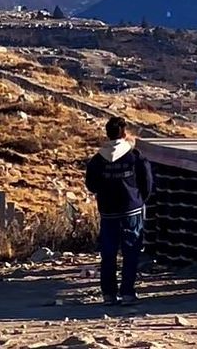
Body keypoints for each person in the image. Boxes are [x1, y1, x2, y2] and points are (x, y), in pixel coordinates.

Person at [84, 115, 154, 306]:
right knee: (131, 252)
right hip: (131, 210)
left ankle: (108, 294)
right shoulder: (134, 156)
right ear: (124, 133)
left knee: (108, 253)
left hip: (108, 212)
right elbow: (146, 183)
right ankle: (128, 293)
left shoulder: (98, 159)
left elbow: (91, 184)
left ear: (107, 134)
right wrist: (139, 199)